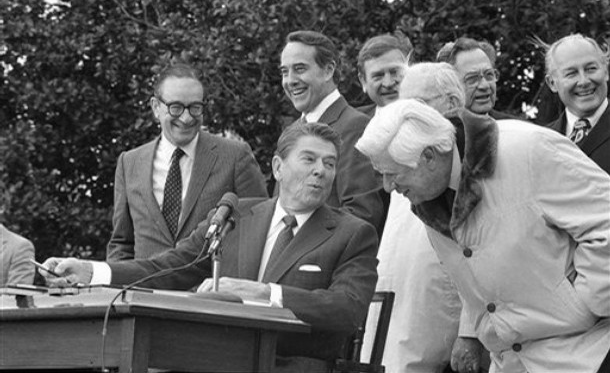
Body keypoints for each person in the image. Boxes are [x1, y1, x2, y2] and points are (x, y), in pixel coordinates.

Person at [42, 122, 379, 373]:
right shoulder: (235, 216)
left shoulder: (351, 233)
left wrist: (266, 293)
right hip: (216, 360)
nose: (321, 171)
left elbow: (347, 309)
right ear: (278, 167)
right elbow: (170, 267)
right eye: (309, 159)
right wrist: (92, 271)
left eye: (330, 163)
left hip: (294, 365)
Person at [356, 99, 610, 373]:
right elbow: (475, 272)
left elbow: (604, 221)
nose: (388, 186)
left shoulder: (528, 149)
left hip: (586, 354)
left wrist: (586, 304)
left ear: (429, 156)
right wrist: (474, 332)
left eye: (392, 174)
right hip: (513, 362)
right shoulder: (428, 198)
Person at [359, 48, 466, 372]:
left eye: (417, 105)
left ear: (451, 104)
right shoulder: (396, 148)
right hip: (394, 276)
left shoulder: (478, 153)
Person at [106, 63, 267, 261]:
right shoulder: (129, 163)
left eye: (195, 107)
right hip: (143, 289)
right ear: (156, 108)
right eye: (176, 107)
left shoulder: (235, 157)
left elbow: (258, 233)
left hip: (208, 290)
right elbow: (122, 244)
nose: (186, 117)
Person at [280, 30, 384, 235]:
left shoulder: (356, 127)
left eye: (299, 69)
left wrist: (300, 247)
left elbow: (362, 214)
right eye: (284, 72)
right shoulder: (292, 132)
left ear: (328, 71)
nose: (290, 80)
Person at [544, 33, 610, 174]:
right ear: (552, 83)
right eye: (571, 73)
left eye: (591, 69)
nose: (584, 81)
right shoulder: (542, 140)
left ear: (606, 71)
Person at [436, 37, 514, 119]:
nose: (485, 85)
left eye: (489, 75)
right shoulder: (436, 130)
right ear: (449, 85)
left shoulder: (514, 128)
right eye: (472, 79)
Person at [356, 33, 413, 116]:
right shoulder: (353, 123)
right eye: (378, 76)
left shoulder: (434, 116)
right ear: (363, 81)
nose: (388, 83)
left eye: (395, 72)